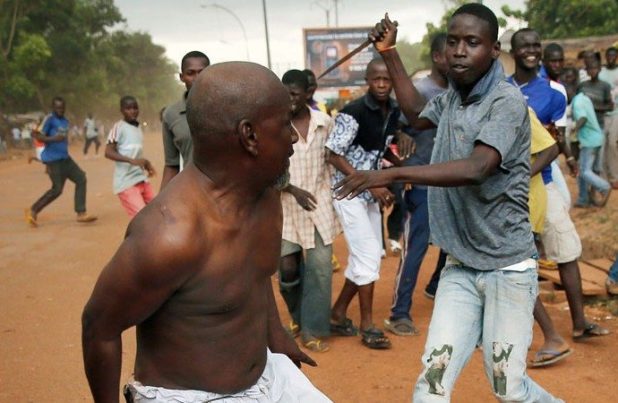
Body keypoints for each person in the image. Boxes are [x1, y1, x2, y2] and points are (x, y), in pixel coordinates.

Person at [337, 5, 563, 401]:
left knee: (508, 387)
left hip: (507, 267)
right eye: (454, 41)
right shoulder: (453, 99)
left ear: (494, 50)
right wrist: (389, 51)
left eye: (472, 43)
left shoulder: (505, 102)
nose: (459, 51)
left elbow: (478, 167)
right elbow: (414, 113)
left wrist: (390, 174)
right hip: (460, 266)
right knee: (433, 381)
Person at [82, 62, 332, 403]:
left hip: (268, 376)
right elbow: (99, 329)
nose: (292, 136)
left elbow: (256, 275)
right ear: (250, 136)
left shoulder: (266, 196)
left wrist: (277, 337)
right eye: (284, 123)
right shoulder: (169, 237)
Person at [509, 28, 609, 367]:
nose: (532, 51)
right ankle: (531, 333)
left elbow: (556, 137)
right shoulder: (501, 89)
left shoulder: (555, 92)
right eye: (525, 46)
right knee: (516, 259)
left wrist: (567, 158)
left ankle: (579, 323)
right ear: (513, 52)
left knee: (566, 249)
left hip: (543, 181)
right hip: (507, 189)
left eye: (536, 45)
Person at [325, 57, 400, 350]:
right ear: (367, 81)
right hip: (348, 191)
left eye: (386, 79)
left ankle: (337, 313)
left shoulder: (393, 110)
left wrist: (395, 160)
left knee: (366, 256)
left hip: (369, 191)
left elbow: (383, 148)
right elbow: (333, 154)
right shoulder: (353, 111)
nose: (381, 84)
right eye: (376, 79)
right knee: (368, 254)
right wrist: (371, 183)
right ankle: (367, 325)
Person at [384, 32, 448, 337]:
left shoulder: (461, 92)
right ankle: (399, 313)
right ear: (437, 57)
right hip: (420, 182)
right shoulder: (419, 90)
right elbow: (391, 126)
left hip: (453, 181)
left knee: (454, 244)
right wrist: (400, 135)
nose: (459, 57)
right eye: (451, 52)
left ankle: (435, 286)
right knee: (416, 248)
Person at [277, 69, 338, 353]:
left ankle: (313, 329)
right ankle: (298, 317)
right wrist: (292, 189)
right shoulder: (274, 126)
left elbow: (332, 161)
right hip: (284, 207)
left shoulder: (324, 123)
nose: (289, 99)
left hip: (318, 204)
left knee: (320, 270)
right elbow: (267, 168)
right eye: (285, 94)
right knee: (287, 270)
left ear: (308, 94)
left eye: (294, 94)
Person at [25, 97, 97, 227]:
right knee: (57, 190)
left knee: (81, 178)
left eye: (62, 107)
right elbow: (36, 135)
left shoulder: (65, 121)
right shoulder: (49, 119)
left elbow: (63, 139)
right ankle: (33, 210)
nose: (60, 110)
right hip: (53, 161)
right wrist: (53, 139)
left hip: (65, 158)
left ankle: (81, 213)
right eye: (58, 107)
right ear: (53, 107)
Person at [160, 51, 210, 190]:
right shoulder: (171, 114)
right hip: (194, 191)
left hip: (230, 193)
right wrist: (161, 199)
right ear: (182, 77)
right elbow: (172, 165)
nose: (197, 78)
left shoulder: (228, 107)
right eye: (190, 73)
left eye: (202, 72)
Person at [104, 96, 156, 218]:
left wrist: (146, 164)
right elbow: (108, 152)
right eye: (128, 108)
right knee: (141, 219)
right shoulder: (119, 127)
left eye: (135, 108)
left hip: (141, 179)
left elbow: (135, 154)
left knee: (157, 213)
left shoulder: (138, 128)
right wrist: (131, 160)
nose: (132, 111)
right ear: (122, 110)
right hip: (126, 182)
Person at [568, 84, 612, 207]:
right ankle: (584, 199)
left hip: (589, 140)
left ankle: (604, 187)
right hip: (596, 138)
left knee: (584, 171)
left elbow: (583, 118)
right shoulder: (584, 98)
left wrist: (573, 129)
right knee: (589, 170)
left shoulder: (577, 102)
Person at [599, 47, 618, 189]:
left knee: (612, 144)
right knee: (602, 145)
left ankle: (614, 176)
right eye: (609, 55)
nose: (611, 58)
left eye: (613, 55)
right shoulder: (601, 73)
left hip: (616, 113)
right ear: (605, 57)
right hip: (602, 113)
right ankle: (603, 178)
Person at [579, 58, 614, 131]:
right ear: (586, 71)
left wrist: (593, 107)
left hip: (599, 124)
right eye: (590, 68)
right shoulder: (582, 85)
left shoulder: (605, 86)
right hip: (584, 124)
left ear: (599, 69)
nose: (592, 71)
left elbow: (610, 107)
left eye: (595, 68)